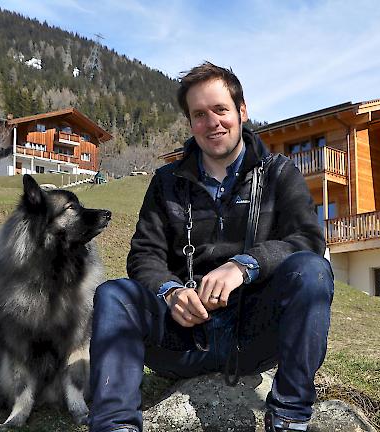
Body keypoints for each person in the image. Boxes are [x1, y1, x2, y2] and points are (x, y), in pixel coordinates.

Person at [88, 62, 334, 432]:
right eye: (199, 114)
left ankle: (288, 418)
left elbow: (308, 241)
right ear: (190, 123)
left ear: (242, 111)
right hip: (181, 338)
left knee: (313, 271)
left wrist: (244, 265)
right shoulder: (166, 182)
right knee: (113, 294)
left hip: (254, 337)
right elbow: (144, 255)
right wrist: (170, 292)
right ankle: (115, 424)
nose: (212, 122)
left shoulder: (280, 173)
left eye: (220, 110)